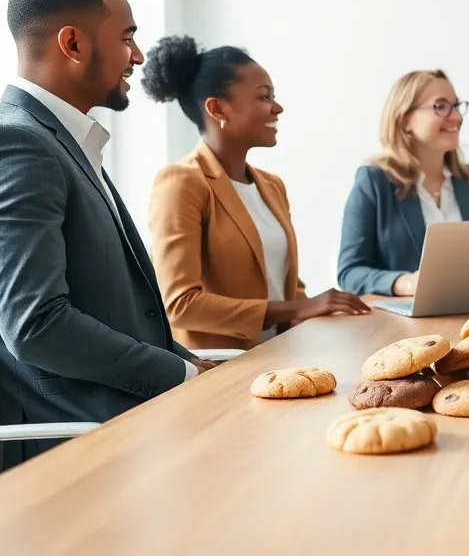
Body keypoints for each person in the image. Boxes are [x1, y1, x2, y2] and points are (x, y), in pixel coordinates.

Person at [0, 0, 212, 465]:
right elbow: (37, 325)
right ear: (72, 44)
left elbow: (111, 309)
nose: (138, 56)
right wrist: (182, 377)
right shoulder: (12, 146)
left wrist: (186, 363)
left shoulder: (59, 143)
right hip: (80, 449)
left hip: (130, 424)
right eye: (127, 37)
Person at [143, 36, 369, 351]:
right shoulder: (181, 183)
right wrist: (300, 308)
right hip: (220, 368)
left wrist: (327, 312)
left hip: (281, 357)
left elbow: (288, 291)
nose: (277, 107)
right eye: (264, 97)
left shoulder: (272, 186)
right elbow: (180, 305)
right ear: (217, 108)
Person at [337, 70, 469, 296]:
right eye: (441, 106)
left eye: (456, 105)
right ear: (404, 119)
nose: (456, 117)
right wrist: (405, 282)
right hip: (402, 325)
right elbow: (349, 273)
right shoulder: (374, 183)